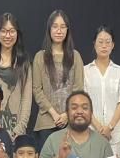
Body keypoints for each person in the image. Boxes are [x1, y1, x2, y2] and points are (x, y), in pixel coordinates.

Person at [32, 10, 84, 149]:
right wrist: (54, 114)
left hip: (71, 121)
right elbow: (37, 90)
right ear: (49, 29)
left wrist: (67, 114)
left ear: (67, 30)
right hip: (46, 123)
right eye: (55, 26)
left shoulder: (75, 56)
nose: (59, 31)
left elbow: (78, 90)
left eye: (62, 27)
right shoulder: (40, 57)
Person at [0, 12, 32, 139]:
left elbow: (26, 99)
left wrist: (18, 130)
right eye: (3, 31)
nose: (7, 35)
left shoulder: (24, 63)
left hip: (15, 131)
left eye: (11, 31)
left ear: (17, 34)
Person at [84, 25, 120, 156]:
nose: (104, 46)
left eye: (107, 42)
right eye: (100, 42)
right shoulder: (84, 71)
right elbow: (84, 103)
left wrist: (110, 127)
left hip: (115, 134)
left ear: (113, 45)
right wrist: (99, 128)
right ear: (94, 44)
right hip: (91, 131)